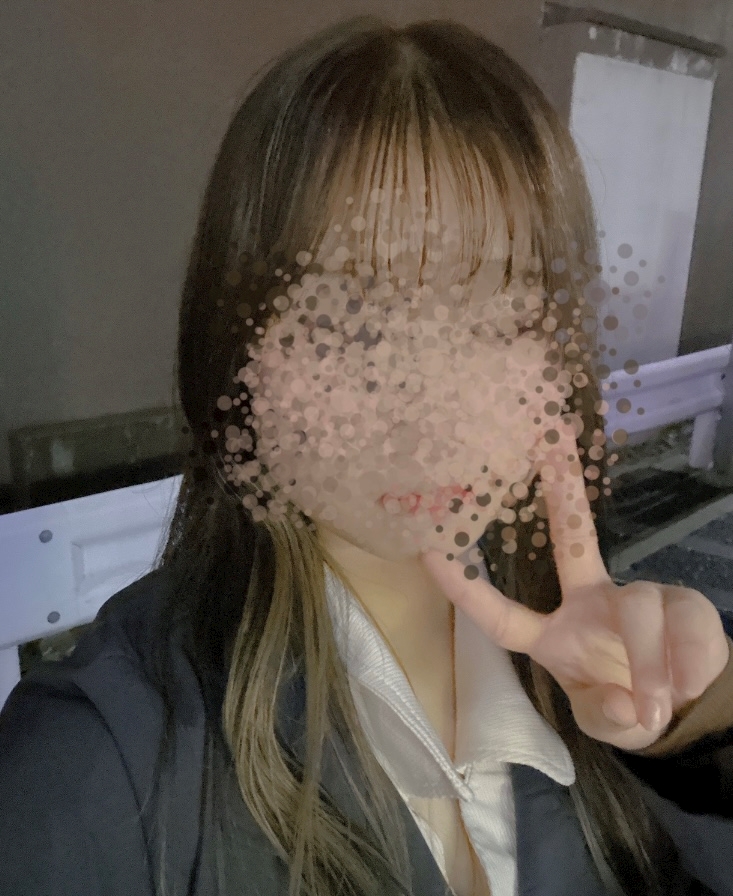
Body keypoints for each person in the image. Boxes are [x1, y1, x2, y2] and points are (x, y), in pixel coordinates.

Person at [1, 15, 732, 896]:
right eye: (347, 323)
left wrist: (695, 733)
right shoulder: (93, 773)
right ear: (235, 352)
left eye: (498, 317)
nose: (430, 413)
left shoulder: (600, 674)